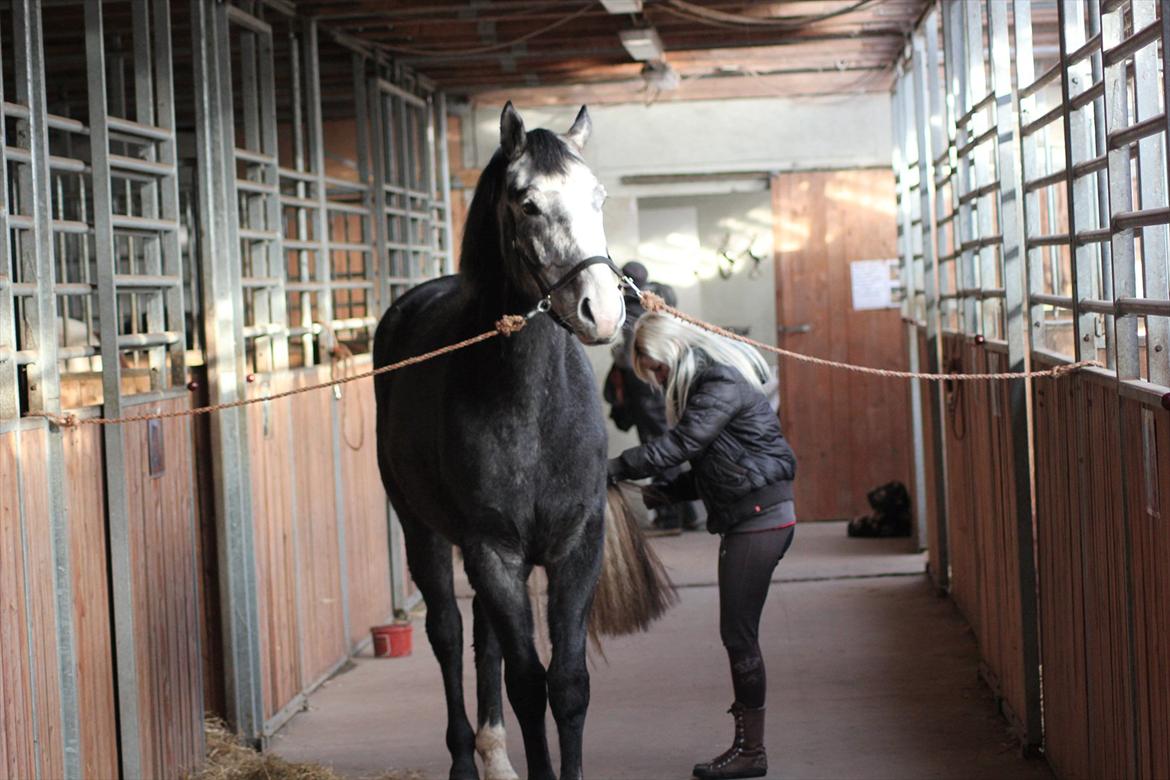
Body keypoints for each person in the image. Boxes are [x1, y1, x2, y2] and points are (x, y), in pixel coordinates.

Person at [606, 312, 797, 780]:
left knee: (739, 636)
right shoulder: (708, 385)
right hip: (749, 516)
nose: (656, 378)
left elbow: (682, 445)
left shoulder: (718, 383)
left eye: (656, 367)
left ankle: (751, 752)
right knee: (738, 634)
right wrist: (663, 492)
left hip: (760, 520)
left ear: (670, 350)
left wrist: (609, 468)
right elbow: (716, 464)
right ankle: (750, 747)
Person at [604, 261, 698, 533]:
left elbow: (630, 355)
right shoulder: (656, 300)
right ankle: (687, 514)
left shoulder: (631, 308)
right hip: (662, 385)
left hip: (644, 386)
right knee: (668, 444)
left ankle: (669, 517)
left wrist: (617, 355)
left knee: (658, 448)